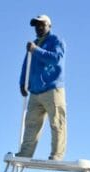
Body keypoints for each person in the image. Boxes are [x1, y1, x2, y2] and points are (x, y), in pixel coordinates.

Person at [17, 14, 67, 160]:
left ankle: (56, 155)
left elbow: (57, 59)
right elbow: (26, 65)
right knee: (31, 124)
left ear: (49, 26)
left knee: (57, 122)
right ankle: (25, 154)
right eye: (36, 25)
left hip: (53, 89)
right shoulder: (33, 44)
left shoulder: (55, 40)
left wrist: (36, 50)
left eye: (42, 24)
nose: (38, 27)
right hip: (35, 91)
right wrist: (22, 83)